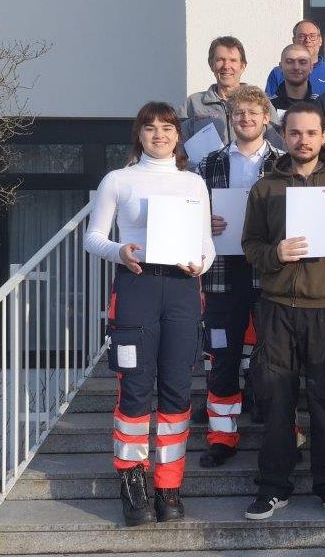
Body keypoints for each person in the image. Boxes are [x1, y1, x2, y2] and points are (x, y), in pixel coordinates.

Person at [84, 102, 215, 526]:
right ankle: (133, 485)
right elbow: (93, 237)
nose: (159, 134)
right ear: (138, 134)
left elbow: (206, 243)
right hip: (136, 287)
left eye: (167, 127)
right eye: (150, 127)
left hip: (181, 290)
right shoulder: (118, 179)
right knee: (135, 389)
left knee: (177, 389)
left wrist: (201, 263)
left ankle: (169, 486)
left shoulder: (193, 182)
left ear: (178, 135)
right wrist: (119, 251)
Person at [241, 101, 325, 521]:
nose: (303, 140)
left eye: (311, 133)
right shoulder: (265, 188)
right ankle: (273, 487)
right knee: (277, 401)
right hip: (277, 308)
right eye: (294, 132)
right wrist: (275, 253)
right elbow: (250, 245)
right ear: (283, 135)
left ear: (323, 136)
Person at [195, 85, 285, 469]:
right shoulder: (209, 164)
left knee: (276, 359)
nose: (246, 119)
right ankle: (222, 437)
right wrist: (203, 222)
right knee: (223, 357)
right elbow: (190, 213)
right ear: (230, 119)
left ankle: (280, 435)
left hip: (271, 275)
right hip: (222, 273)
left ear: (266, 118)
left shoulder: (284, 163)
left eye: (253, 113)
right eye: (239, 113)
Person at [180, 36, 282, 150]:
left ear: (242, 66)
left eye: (233, 60)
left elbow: (278, 145)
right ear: (211, 65)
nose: (226, 66)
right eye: (220, 60)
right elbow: (178, 145)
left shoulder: (261, 102)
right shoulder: (194, 103)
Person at [264, 19, 325, 97]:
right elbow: (269, 103)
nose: (307, 40)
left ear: (320, 40)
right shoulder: (278, 72)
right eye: (302, 36)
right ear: (294, 40)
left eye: (312, 36)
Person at [269, 44, 318, 112]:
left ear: (311, 67)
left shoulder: (321, 105)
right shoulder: (268, 106)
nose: (296, 67)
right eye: (289, 62)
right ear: (281, 67)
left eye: (302, 62)